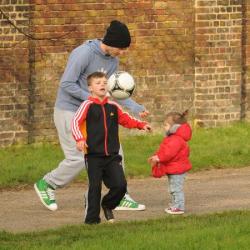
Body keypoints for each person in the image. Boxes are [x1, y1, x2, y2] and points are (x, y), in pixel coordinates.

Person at [34, 20, 149, 211]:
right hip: (69, 110)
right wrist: (90, 98)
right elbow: (67, 84)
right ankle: (47, 184)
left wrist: (136, 107)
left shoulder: (113, 61)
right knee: (79, 158)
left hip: (93, 112)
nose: (122, 52)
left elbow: (111, 91)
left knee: (114, 150)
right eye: (121, 48)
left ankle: (119, 196)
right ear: (111, 42)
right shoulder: (84, 53)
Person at [72, 72, 151, 224]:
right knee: (94, 188)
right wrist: (80, 139)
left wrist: (141, 125)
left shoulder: (113, 106)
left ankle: (107, 205)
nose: (102, 84)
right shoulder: (86, 106)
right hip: (93, 155)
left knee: (120, 185)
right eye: (97, 83)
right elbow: (75, 122)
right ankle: (92, 221)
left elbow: (126, 119)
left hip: (113, 156)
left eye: (104, 82)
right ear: (90, 88)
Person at [148, 111, 192, 215]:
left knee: (175, 189)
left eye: (166, 125)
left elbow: (168, 153)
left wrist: (158, 157)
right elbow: (165, 151)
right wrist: (157, 156)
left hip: (177, 169)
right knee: (173, 188)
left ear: (175, 127)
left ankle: (178, 207)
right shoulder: (173, 138)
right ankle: (175, 205)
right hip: (175, 168)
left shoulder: (175, 140)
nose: (164, 127)